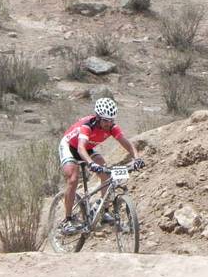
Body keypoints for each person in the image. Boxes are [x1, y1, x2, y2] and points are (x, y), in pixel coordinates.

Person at [58, 97, 145, 234]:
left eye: (111, 121)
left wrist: (137, 158)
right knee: (73, 179)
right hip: (70, 146)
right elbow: (80, 148)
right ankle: (67, 220)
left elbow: (126, 143)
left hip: (87, 147)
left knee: (105, 172)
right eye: (105, 120)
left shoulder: (112, 128)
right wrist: (91, 164)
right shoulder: (88, 126)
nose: (108, 124)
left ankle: (104, 212)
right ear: (98, 117)